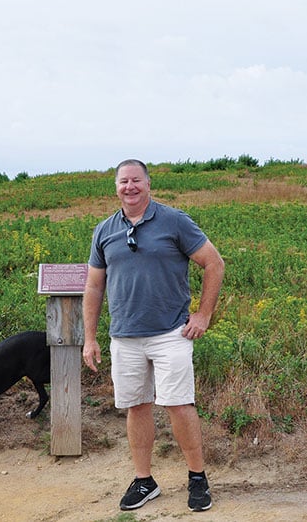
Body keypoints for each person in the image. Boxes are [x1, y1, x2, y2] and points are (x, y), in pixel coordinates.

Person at [82, 159, 225, 512]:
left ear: (149, 184)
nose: (129, 187)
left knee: (179, 404)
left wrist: (203, 315)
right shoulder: (104, 230)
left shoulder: (174, 221)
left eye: (136, 181)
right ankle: (144, 481)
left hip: (170, 333)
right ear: (115, 187)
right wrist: (90, 337)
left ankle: (197, 478)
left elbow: (214, 263)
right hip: (125, 336)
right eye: (123, 181)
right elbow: (94, 286)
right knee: (136, 406)